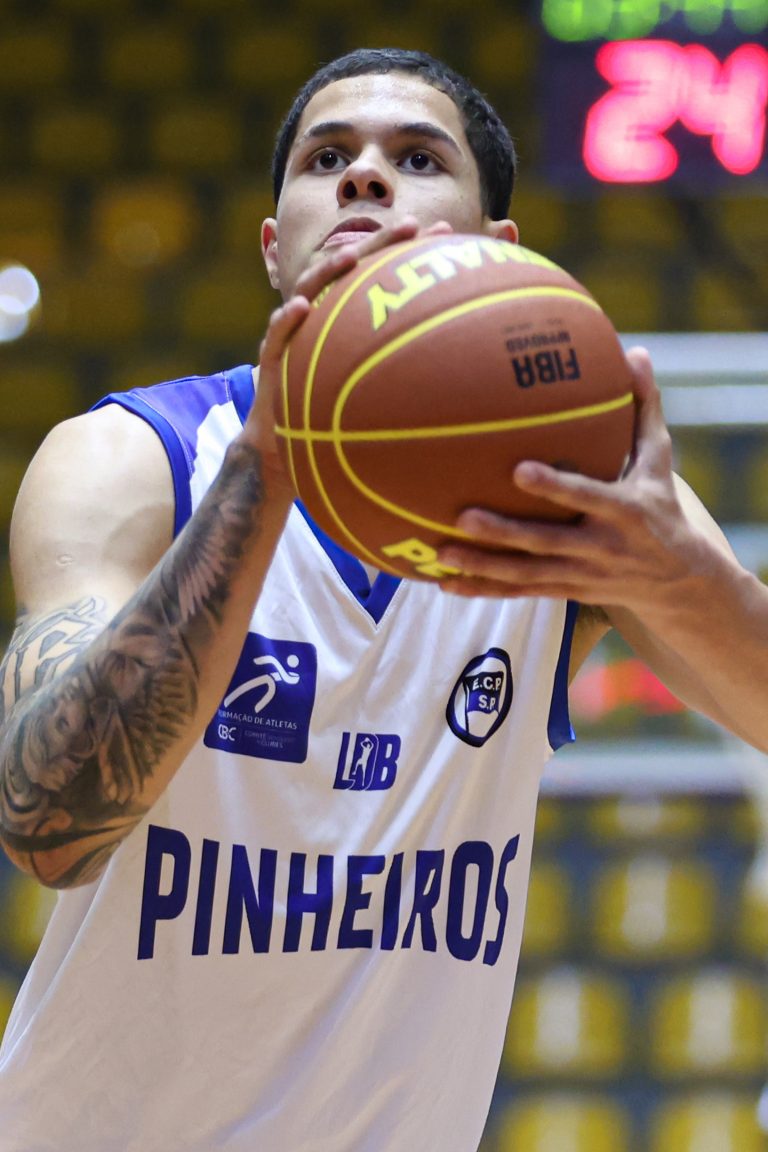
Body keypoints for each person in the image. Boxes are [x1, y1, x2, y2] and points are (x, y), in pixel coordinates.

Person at [0, 46, 766, 1152]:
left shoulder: (570, 491)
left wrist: (676, 576)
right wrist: (261, 481)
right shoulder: (133, 462)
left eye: (416, 158)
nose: (364, 175)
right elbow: (48, 829)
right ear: (276, 248)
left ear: (496, 251)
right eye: (328, 158)